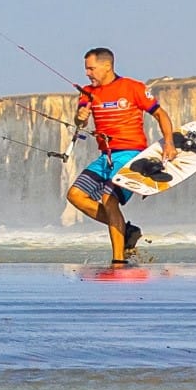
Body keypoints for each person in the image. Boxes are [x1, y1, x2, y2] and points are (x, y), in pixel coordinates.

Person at [65, 47, 177, 266]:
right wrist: (80, 117)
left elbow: (160, 114)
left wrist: (169, 143)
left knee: (109, 200)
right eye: (86, 69)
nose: (87, 73)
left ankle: (118, 260)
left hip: (131, 156)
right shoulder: (88, 92)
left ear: (107, 66)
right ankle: (126, 231)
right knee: (75, 195)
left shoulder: (133, 88)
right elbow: (80, 123)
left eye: (91, 68)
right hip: (105, 156)